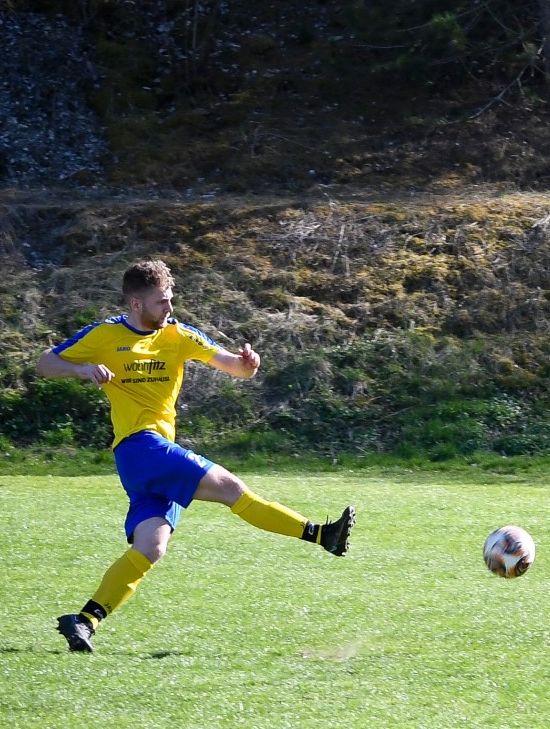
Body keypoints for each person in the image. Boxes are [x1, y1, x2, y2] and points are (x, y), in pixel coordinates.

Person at [36, 259, 355, 653]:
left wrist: (247, 366)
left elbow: (231, 366)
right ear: (135, 304)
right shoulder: (105, 334)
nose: (168, 309)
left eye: (170, 300)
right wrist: (83, 370)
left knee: (151, 547)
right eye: (160, 303)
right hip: (140, 446)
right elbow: (45, 364)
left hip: (148, 457)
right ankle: (322, 534)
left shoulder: (178, 335)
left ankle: (84, 620)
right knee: (231, 488)